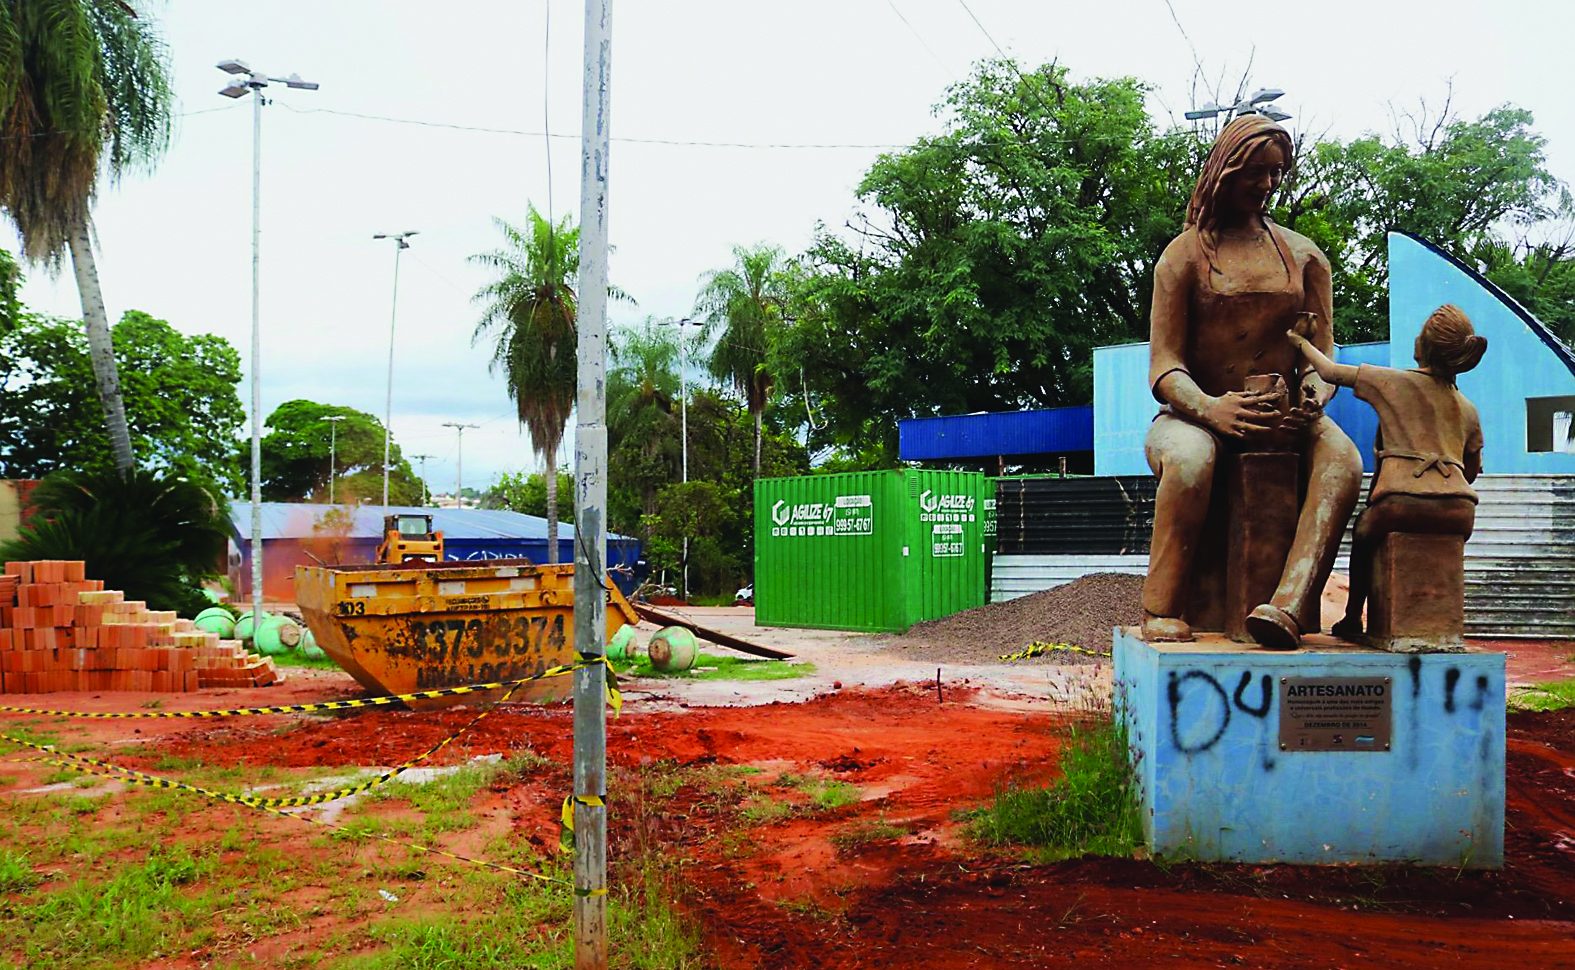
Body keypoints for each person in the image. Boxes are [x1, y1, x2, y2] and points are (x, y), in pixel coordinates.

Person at [1142, 113, 1363, 648]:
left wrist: (1316, 386)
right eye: (1254, 174)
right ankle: (1162, 605)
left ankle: (1286, 606)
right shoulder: (1183, 256)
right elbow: (1165, 368)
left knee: (1344, 462)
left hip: (1283, 414)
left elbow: (1320, 351)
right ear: (1225, 171)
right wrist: (1212, 409)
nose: (1266, 186)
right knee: (1193, 460)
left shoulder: (1306, 256)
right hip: (1188, 416)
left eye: (1276, 174)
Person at [1287, 304, 1486, 639]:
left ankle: (1352, 618)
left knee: (1363, 535)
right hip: (1460, 510)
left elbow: (1330, 372)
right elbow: (1472, 469)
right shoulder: (1467, 407)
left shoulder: (1393, 381)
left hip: (1401, 501)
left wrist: (1299, 343)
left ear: (1424, 344)